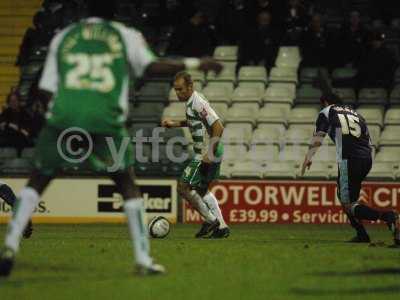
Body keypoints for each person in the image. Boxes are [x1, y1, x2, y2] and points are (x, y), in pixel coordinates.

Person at [0, 0, 222, 277]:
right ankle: (143, 259)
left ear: (83, 11)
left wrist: (64, 117)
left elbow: (44, 90)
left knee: (36, 181)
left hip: (65, 117)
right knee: (127, 183)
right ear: (115, 12)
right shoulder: (125, 36)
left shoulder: (64, 37)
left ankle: (9, 246)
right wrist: (197, 62)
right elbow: (154, 67)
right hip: (105, 117)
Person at [301, 93, 400, 246]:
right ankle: (361, 233)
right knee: (344, 195)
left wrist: (309, 156)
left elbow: (320, 134)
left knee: (348, 204)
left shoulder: (327, 111)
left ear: (326, 102)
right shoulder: (357, 114)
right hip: (366, 158)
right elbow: (368, 138)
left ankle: (387, 216)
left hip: (349, 159)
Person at [162, 71, 230, 238]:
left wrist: (209, 154)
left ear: (190, 87)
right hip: (209, 151)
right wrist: (175, 124)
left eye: (181, 89)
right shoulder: (191, 102)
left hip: (207, 152)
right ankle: (222, 227)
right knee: (201, 189)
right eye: (176, 90)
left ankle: (210, 220)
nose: (178, 93)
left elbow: (218, 127)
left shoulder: (198, 102)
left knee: (183, 186)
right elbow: (195, 121)